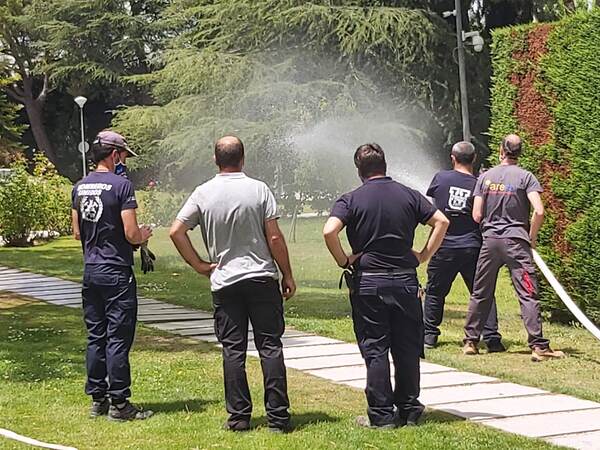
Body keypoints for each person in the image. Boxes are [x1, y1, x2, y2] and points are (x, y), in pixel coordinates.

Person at [169, 136, 295, 432]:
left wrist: (200, 265)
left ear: (216, 160)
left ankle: (239, 417)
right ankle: (278, 418)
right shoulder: (259, 189)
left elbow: (176, 231)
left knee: (233, 350)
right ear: (243, 158)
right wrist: (287, 273)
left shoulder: (203, 193)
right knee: (270, 347)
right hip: (261, 278)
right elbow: (274, 237)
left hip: (225, 281)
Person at [323, 143, 449, 429]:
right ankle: (408, 410)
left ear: (359, 170)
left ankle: (381, 416)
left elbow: (329, 230)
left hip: (369, 284)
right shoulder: (408, 195)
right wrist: (423, 255)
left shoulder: (351, 199)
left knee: (376, 348)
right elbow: (441, 221)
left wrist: (345, 260)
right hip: (405, 281)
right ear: (385, 165)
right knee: (406, 347)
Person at [71, 130, 154, 421]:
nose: (125, 162)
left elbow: (77, 232)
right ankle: (120, 404)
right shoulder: (122, 186)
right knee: (117, 337)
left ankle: (98, 400)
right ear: (114, 154)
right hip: (117, 271)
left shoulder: (79, 187)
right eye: (123, 156)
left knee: (96, 336)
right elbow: (131, 232)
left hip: (91, 270)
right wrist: (142, 236)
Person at [463, 134, 565, 362]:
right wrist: (531, 236)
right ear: (519, 153)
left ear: (501, 150)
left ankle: (471, 341)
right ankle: (538, 346)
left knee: (481, 292)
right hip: (517, 243)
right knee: (527, 293)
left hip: (490, 243)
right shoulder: (526, 177)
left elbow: (477, 215)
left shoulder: (485, 177)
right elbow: (539, 211)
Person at [424, 142, 504, 352]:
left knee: (435, 291)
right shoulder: (480, 184)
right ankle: (492, 338)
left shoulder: (441, 178)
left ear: (453, 158)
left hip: (444, 246)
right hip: (472, 247)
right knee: (482, 292)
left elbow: (436, 203)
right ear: (474, 158)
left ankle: (429, 335)